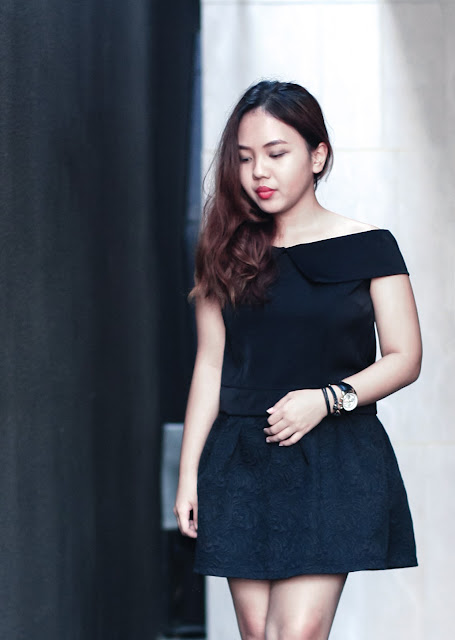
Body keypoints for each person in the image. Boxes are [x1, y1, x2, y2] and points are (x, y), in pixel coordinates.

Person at [173, 80, 422, 640]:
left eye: (276, 153)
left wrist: (327, 399)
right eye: (244, 158)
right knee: (258, 634)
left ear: (317, 156)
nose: (258, 172)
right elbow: (210, 366)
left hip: (332, 454)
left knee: (297, 634)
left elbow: (405, 357)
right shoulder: (224, 250)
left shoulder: (370, 246)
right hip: (240, 457)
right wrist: (188, 476)